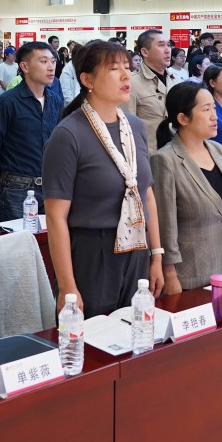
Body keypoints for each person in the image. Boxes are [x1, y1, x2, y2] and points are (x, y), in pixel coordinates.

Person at [44, 40, 164, 315]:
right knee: (94, 337)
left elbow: (146, 194)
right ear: (87, 80)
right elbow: (55, 217)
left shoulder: (134, 126)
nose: (125, 75)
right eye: (114, 69)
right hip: (93, 253)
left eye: (127, 67)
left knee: (137, 331)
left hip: (137, 248)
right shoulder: (68, 135)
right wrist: (67, 286)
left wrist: (156, 255)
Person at [151, 82, 222, 293]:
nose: (214, 116)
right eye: (206, 109)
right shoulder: (165, 160)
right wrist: (169, 273)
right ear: (183, 119)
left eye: (214, 108)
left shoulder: (218, 150)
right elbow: (166, 224)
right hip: (189, 273)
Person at [0, 42, 63, 222]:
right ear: (25, 67)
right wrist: (9, 176)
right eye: (43, 61)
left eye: (52, 61)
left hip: (50, 186)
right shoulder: (7, 102)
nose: (51, 67)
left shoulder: (55, 101)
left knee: (48, 238)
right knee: (17, 238)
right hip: (17, 188)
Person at [126, 29, 174, 142]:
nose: (167, 50)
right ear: (145, 52)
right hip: (148, 149)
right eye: (161, 45)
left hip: (174, 148)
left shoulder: (174, 79)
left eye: (168, 45)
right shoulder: (131, 82)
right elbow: (126, 127)